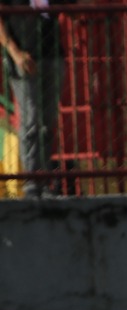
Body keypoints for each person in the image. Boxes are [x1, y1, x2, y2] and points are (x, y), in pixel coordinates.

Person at [0, 0, 69, 197]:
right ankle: (32, 181)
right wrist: (15, 52)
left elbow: (81, 7)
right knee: (30, 120)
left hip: (52, 55)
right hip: (24, 56)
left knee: (47, 122)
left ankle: (44, 180)